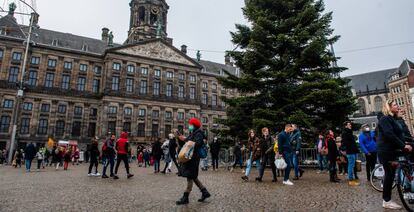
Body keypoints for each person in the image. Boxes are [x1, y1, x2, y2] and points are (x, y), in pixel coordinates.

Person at [378, 100, 412, 209]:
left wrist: (406, 142)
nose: (398, 106)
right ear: (388, 107)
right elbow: (389, 134)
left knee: (391, 175)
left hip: (392, 150)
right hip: (386, 151)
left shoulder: (393, 119)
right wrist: (403, 146)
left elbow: (399, 135)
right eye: (395, 105)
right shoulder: (385, 119)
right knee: (389, 175)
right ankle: (386, 201)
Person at [176, 118, 211, 205]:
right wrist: (180, 138)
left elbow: (197, 143)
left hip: (194, 158)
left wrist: (186, 139)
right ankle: (204, 192)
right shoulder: (193, 133)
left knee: (190, 176)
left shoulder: (199, 133)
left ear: (194, 125)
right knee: (193, 176)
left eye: (191, 124)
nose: (189, 126)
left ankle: (185, 197)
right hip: (189, 157)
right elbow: (185, 144)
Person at [341, 121, 359, 186]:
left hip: (353, 150)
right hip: (350, 151)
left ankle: (352, 176)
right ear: (346, 126)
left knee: (352, 164)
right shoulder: (345, 133)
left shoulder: (349, 132)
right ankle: (350, 178)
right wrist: (351, 146)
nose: (350, 125)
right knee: (351, 164)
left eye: (350, 124)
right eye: (349, 124)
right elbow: (346, 142)